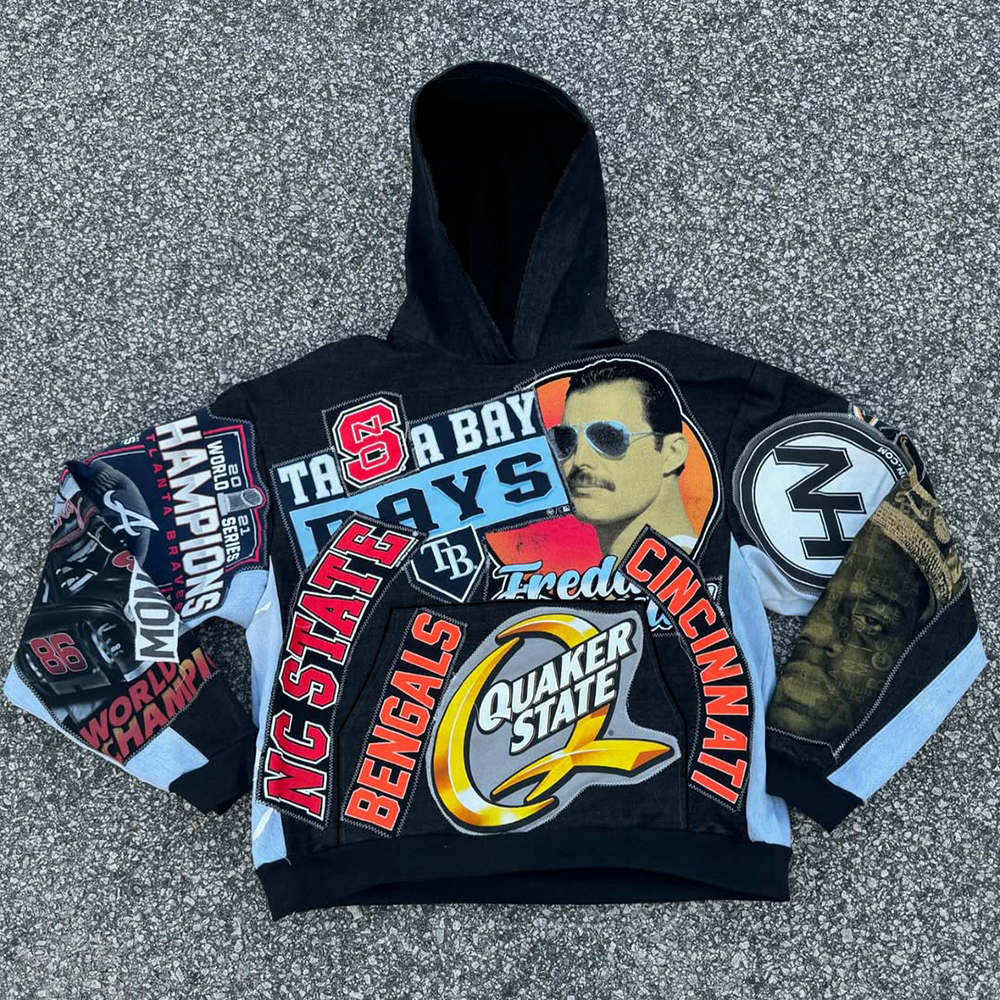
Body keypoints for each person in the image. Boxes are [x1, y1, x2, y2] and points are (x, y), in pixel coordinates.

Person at [549, 360, 697, 561]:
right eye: (564, 440)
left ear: (672, 453)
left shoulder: (703, 569)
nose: (579, 460)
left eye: (608, 437)